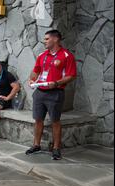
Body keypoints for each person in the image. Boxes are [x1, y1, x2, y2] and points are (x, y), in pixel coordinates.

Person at [27, 30, 77, 160]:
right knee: (38, 119)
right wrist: (31, 80)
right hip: (39, 92)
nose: (45, 41)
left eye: (47, 39)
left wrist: (56, 83)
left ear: (55, 39)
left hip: (55, 93)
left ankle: (56, 148)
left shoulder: (67, 56)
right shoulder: (42, 55)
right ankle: (36, 145)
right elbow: (36, 71)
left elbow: (71, 76)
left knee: (55, 121)